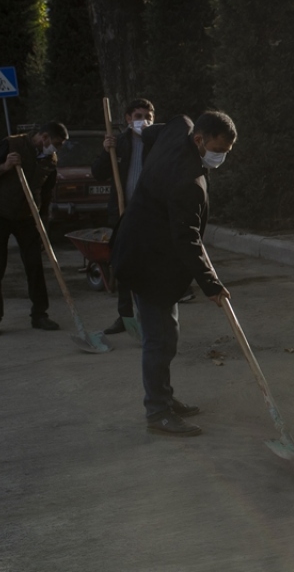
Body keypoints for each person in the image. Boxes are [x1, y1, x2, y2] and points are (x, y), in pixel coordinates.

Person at [110, 112, 235, 436]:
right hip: (146, 260)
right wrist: (211, 284)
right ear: (199, 140)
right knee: (159, 340)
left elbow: (149, 134)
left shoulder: (179, 127)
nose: (220, 157)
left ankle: (163, 397)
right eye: (217, 149)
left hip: (153, 249)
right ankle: (158, 413)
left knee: (169, 335)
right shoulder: (187, 183)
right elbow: (187, 239)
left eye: (226, 151)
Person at [0, 122, 69, 337]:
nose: (57, 149)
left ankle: (40, 315)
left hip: (28, 216)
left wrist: (43, 224)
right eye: (56, 144)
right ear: (44, 137)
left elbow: (46, 194)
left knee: (34, 265)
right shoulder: (11, 145)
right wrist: (4, 167)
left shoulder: (50, 159)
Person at [91, 98, 156, 335]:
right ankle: (125, 316)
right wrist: (106, 150)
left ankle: (149, 315)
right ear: (128, 119)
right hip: (122, 213)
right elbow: (98, 173)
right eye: (139, 116)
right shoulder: (119, 143)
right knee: (123, 264)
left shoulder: (157, 141)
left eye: (148, 117)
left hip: (150, 213)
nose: (144, 121)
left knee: (149, 265)